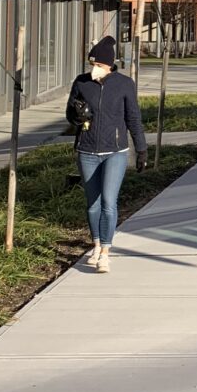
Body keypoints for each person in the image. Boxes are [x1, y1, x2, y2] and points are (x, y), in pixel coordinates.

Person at [66, 36, 147, 273]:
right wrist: (77, 117)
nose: (94, 69)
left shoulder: (124, 84)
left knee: (109, 203)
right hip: (87, 150)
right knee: (93, 205)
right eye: (92, 64)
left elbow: (133, 118)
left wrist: (141, 149)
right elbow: (70, 114)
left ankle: (105, 253)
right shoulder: (81, 83)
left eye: (99, 65)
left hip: (115, 152)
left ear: (109, 65)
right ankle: (96, 243)